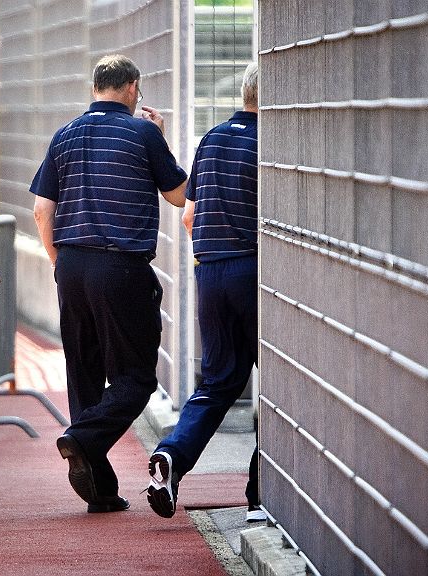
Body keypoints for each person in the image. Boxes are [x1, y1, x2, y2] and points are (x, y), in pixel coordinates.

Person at [30, 55, 188, 513]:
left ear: (95, 86)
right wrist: (161, 140)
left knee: (83, 373)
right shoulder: (143, 133)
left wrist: (61, 262)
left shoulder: (64, 135)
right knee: (136, 378)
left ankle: (98, 488)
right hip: (121, 267)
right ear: (133, 87)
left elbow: (43, 210)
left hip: (72, 266)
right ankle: (81, 437)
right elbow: (178, 196)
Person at [146, 61, 263, 522]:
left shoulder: (211, 138)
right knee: (275, 383)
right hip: (255, 269)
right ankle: (260, 496)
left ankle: (172, 456)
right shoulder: (270, 141)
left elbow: (189, 215)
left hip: (209, 271)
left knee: (218, 381)